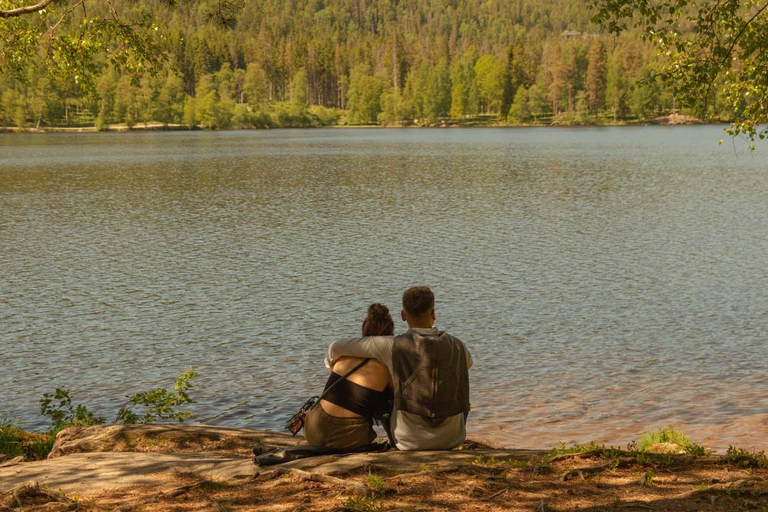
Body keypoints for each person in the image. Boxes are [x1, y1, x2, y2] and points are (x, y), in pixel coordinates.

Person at [326, 286, 472, 450]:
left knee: (387, 383)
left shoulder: (392, 345)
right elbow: (468, 364)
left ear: (403, 315)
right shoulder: (459, 346)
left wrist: (331, 365)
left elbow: (336, 347)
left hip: (409, 442)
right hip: (453, 438)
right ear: (433, 314)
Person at [303, 303, 395, 450]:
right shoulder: (385, 366)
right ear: (390, 334)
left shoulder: (343, 356)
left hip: (313, 426)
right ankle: (395, 441)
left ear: (364, 331)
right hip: (348, 435)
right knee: (388, 398)